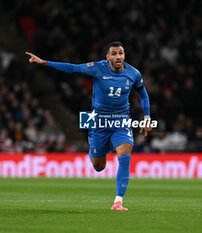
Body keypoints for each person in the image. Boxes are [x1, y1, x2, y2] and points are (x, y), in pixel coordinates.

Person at [25, 41, 152, 210]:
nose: (118, 56)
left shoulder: (133, 74)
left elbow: (143, 95)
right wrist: (44, 62)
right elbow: (72, 68)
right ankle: (95, 143)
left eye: (120, 53)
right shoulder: (98, 68)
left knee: (125, 151)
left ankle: (118, 201)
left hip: (121, 120)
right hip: (98, 122)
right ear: (107, 57)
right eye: (114, 54)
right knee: (99, 166)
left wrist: (147, 116)